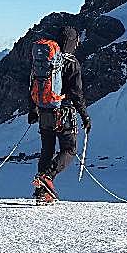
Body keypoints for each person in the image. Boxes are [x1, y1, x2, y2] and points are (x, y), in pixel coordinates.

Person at [28, 26, 90, 203]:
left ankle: (42, 192)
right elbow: (77, 94)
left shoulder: (44, 61)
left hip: (44, 111)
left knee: (46, 150)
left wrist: (33, 110)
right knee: (69, 149)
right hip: (64, 114)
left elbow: (33, 84)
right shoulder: (71, 62)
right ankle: (47, 177)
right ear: (72, 41)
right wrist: (85, 116)